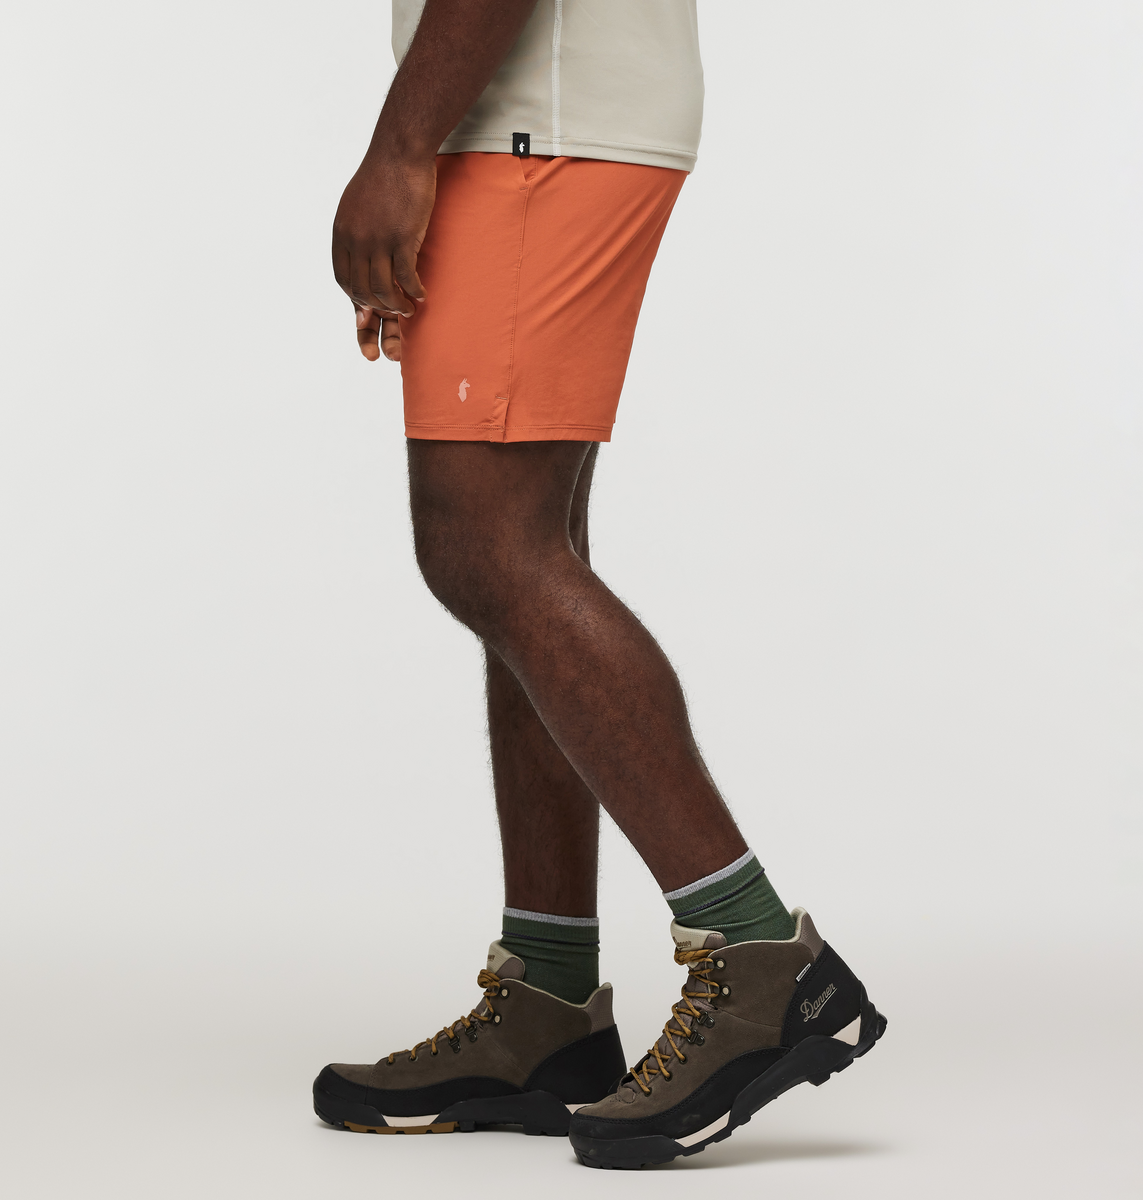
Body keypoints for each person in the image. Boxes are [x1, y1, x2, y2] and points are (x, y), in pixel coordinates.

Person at [312, 0, 885, 1169]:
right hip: (538, 119)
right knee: (522, 550)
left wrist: (400, 147)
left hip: (538, 123)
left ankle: (760, 957)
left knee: (486, 548)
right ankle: (549, 1006)